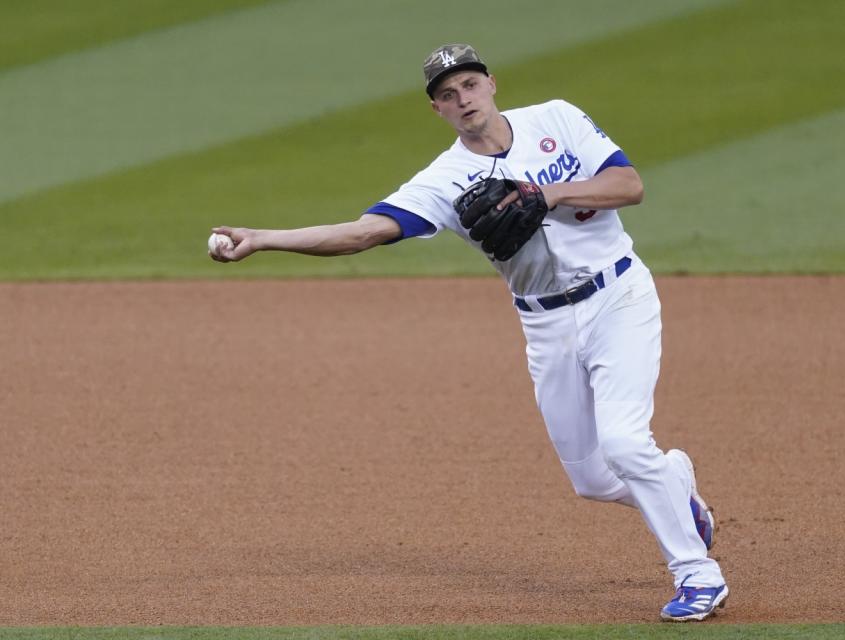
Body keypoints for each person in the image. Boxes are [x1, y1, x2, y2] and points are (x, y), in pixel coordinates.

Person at [209, 44, 728, 622]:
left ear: (491, 84)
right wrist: (264, 237)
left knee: (627, 444)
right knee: (593, 480)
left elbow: (629, 185)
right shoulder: (445, 179)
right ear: (437, 110)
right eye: (448, 95)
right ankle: (674, 485)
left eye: (471, 86)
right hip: (546, 324)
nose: (464, 100)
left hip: (619, 298)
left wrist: (545, 195)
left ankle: (696, 574)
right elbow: (363, 232)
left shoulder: (557, 117)